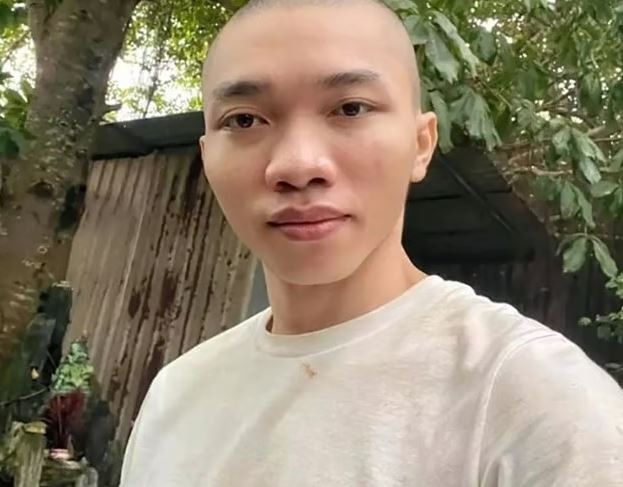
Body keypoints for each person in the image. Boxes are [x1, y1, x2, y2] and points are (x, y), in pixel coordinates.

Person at [120, 0, 623, 485]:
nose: (298, 166)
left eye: (350, 108)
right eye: (244, 120)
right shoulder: (175, 398)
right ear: (207, 154)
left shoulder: (537, 403)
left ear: (421, 145)